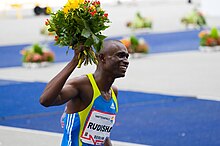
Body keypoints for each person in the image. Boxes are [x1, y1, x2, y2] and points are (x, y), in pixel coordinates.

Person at [39, 40, 129, 146]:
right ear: (102, 58)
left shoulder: (113, 92)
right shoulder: (82, 85)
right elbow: (45, 100)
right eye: (120, 56)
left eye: (127, 57)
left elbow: (103, 136)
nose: (126, 61)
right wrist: (74, 61)